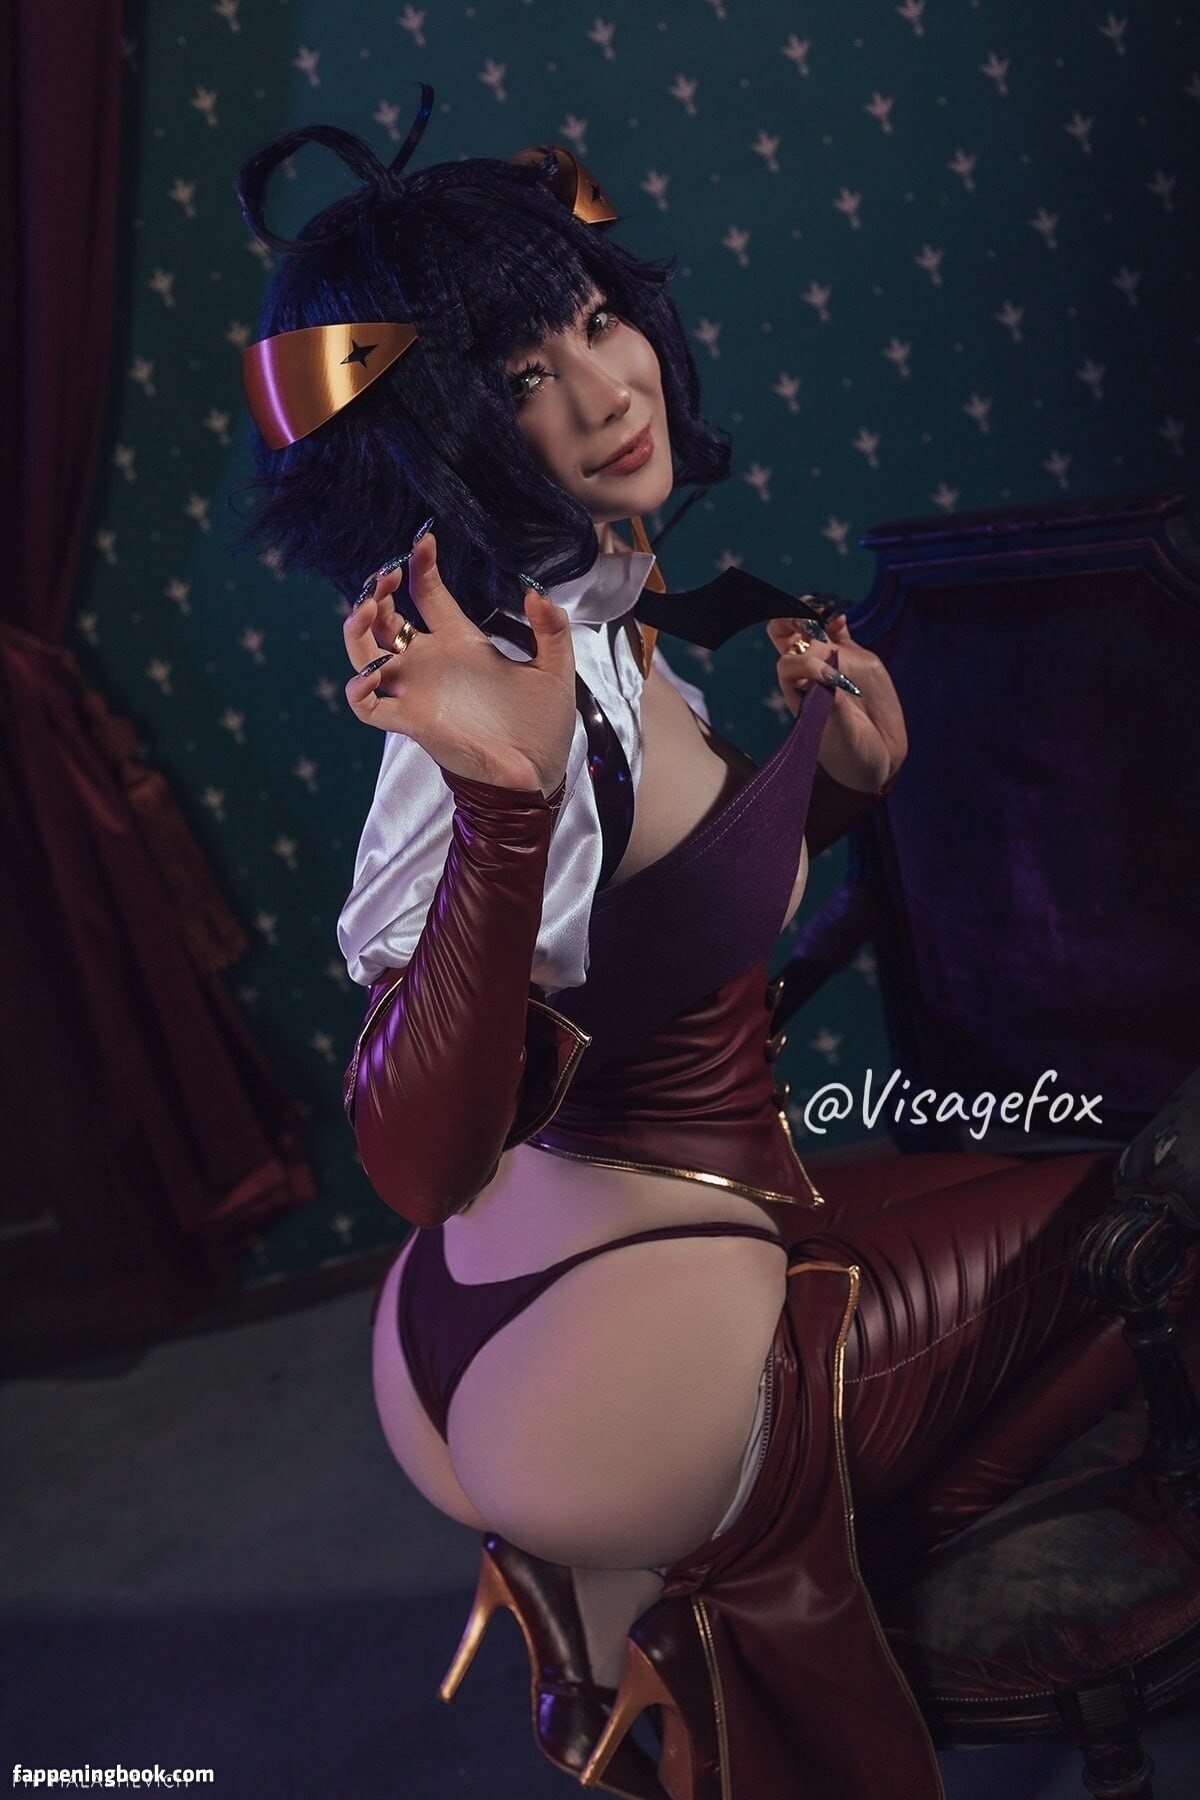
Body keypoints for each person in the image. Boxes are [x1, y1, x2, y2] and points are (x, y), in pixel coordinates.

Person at [236, 92, 1165, 1800]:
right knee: (1146, 1212)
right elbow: (422, 1155)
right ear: (434, 430)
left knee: (1024, 1181)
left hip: (518, 1323)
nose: (609, 389)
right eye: (523, 373)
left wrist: (842, 784)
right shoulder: (493, 706)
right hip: (615, 1361)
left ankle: (695, 1590)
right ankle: (838, 1584)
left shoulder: (591, 618)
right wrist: (496, 803)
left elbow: (642, 934)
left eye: (598, 321)